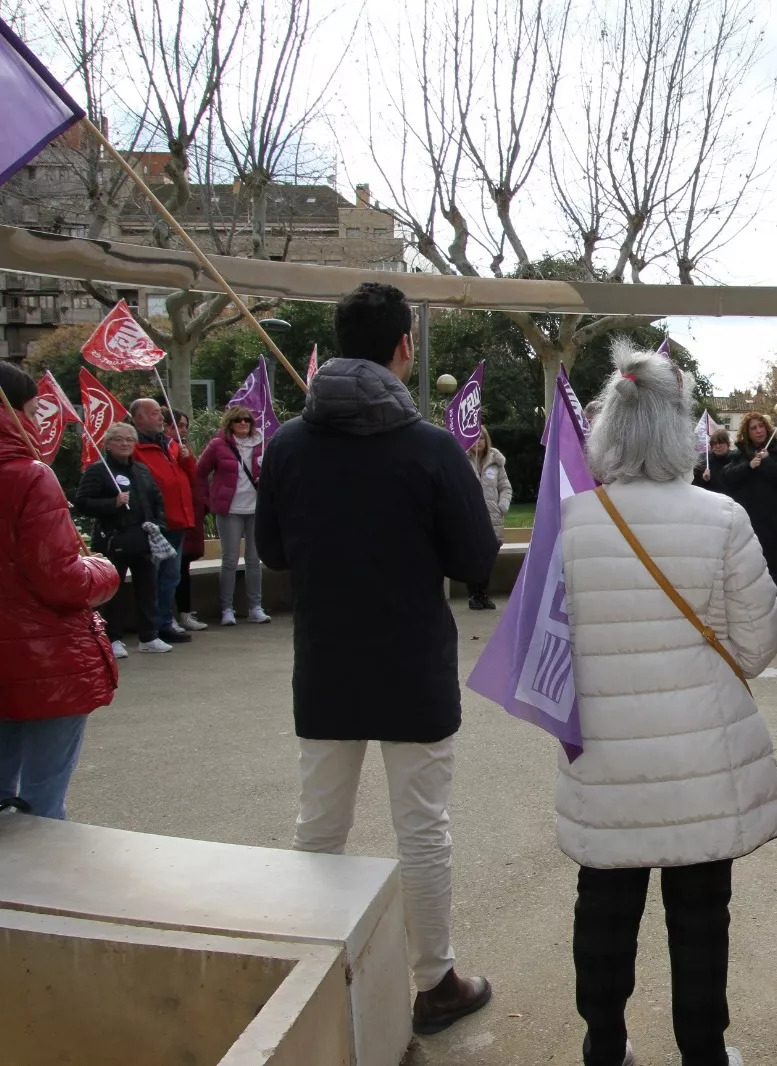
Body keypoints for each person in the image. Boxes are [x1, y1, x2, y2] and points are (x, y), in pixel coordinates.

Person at [257, 282, 501, 1036]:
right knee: (422, 827)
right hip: (411, 663)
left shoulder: (288, 445)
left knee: (319, 825)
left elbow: (272, 552)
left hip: (325, 659)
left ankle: (311, 980)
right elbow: (475, 560)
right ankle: (436, 983)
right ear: (404, 346)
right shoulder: (431, 447)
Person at [559, 340, 777, 1066]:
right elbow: (758, 645)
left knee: (604, 907)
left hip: (602, 748)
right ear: (678, 429)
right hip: (700, 751)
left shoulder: (570, 521)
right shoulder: (722, 517)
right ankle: (703, 1052)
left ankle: (604, 1046)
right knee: (700, 915)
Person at [0, 363, 121, 819]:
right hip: (42, 658)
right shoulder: (29, 476)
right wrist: (103, 570)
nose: (37, 422)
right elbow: (62, 581)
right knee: (43, 805)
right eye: (33, 411)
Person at [76, 423, 168, 656]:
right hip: (113, 539)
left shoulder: (142, 470)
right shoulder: (98, 470)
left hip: (143, 539)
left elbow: (156, 499)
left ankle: (149, 636)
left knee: (148, 589)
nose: (125, 443)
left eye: (129, 439)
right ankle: (112, 638)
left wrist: (158, 524)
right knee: (111, 593)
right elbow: (82, 502)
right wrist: (112, 503)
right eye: (118, 439)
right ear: (108, 444)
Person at [130, 398, 197, 647]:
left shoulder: (171, 445)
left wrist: (187, 459)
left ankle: (164, 622)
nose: (161, 417)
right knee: (153, 578)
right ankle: (152, 626)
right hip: (155, 523)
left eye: (160, 413)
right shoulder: (134, 447)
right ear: (138, 418)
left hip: (178, 520)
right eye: (155, 413)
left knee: (171, 577)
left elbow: (192, 477)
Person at [194, 406, 270, 626]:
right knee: (229, 559)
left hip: (255, 508)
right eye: (238, 420)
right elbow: (200, 472)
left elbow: (273, 471)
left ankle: (255, 607)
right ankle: (227, 608)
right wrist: (207, 500)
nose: (243, 423)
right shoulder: (218, 445)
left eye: (247, 420)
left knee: (254, 560)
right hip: (230, 510)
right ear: (230, 423)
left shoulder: (262, 444)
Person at [722, 412, 777, 601]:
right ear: (747, 433)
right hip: (748, 524)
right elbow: (728, 477)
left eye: (761, 426)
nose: (758, 431)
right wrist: (749, 466)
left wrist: (767, 462)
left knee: (774, 567)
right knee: (750, 568)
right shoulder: (740, 454)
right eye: (753, 428)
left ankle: (775, 608)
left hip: (775, 523)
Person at [166, 410, 209, 633]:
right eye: (177, 426)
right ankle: (166, 617)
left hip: (187, 518)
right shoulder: (160, 449)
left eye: (184, 426)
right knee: (167, 572)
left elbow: (195, 477)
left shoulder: (183, 450)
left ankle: (184, 613)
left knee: (182, 568)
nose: (182, 430)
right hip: (166, 520)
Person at [465, 428, 512, 611]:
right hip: (471, 518)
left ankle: (483, 594)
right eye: (475, 438)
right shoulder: (462, 460)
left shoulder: (495, 462)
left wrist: (502, 506)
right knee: (472, 557)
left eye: (482, 438)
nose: (478, 441)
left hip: (492, 518)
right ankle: (473, 595)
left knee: (488, 558)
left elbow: (505, 487)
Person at [693, 428, 733, 494]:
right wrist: (703, 479)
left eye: (721, 443)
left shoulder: (735, 459)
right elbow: (695, 486)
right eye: (714, 443)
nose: (717, 446)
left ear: (728, 444)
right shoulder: (704, 459)